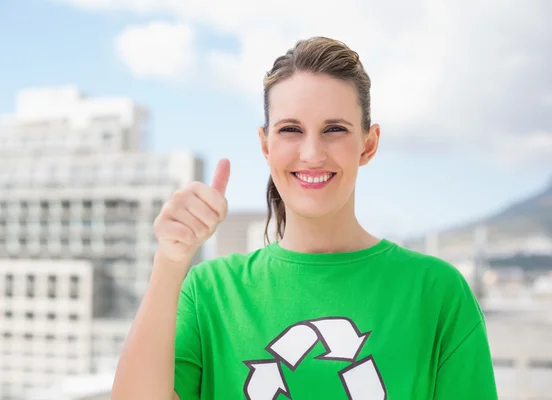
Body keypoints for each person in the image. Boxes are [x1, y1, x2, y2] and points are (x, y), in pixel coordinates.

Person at [111, 37, 498, 400]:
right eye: (291, 130)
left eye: (334, 129)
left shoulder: (437, 294)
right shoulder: (209, 291)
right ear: (265, 144)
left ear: (369, 143)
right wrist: (170, 260)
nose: (312, 154)